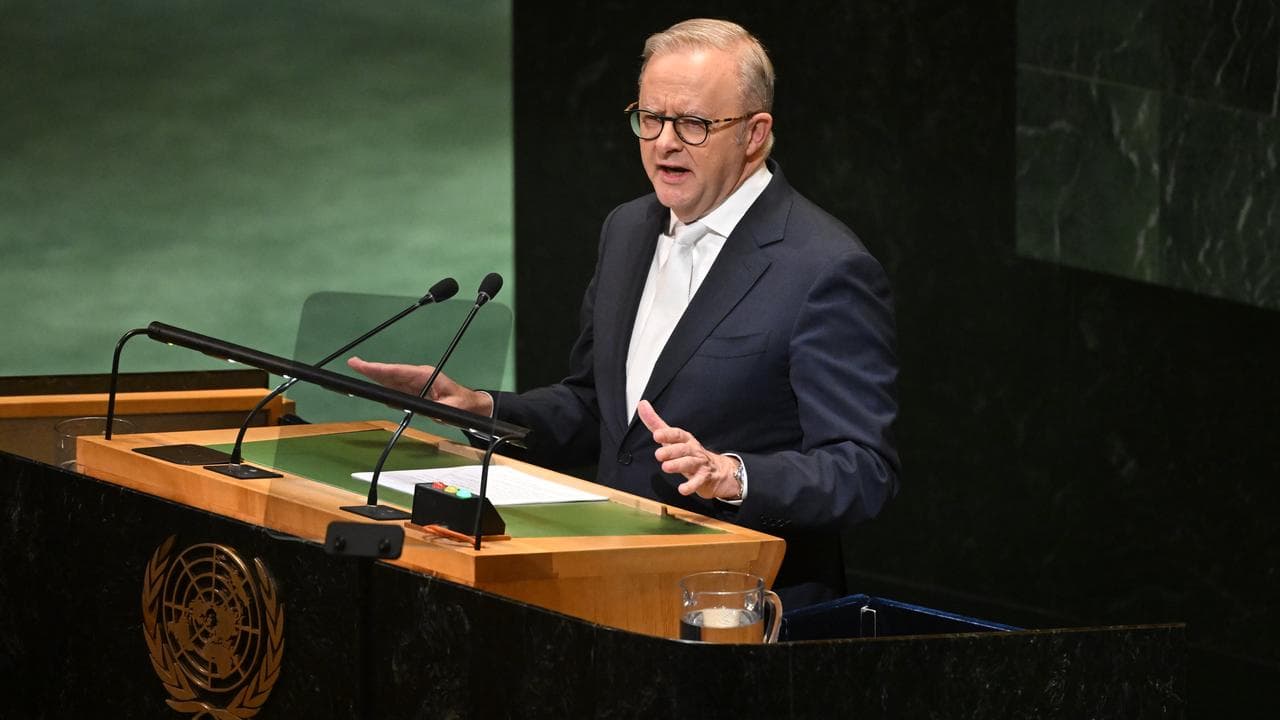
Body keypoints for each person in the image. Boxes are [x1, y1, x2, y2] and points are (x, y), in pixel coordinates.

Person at [350, 18, 899, 609]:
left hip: (740, 606)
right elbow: (598, 410)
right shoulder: (627, 228)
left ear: (754, 133)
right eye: (651, 118)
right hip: (611, 581)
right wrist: (483, 408)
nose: (664, 142)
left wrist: (732, 475)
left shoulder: (824, 267)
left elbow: (863, 469)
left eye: (693, 123)